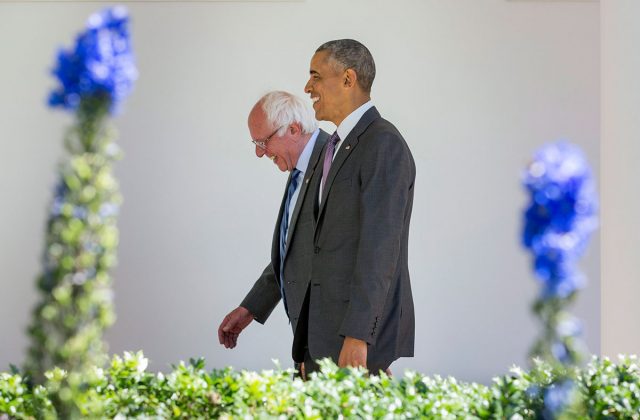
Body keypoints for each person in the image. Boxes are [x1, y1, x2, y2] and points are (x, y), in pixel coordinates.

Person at [297, 39, 416, 374]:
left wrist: (359, 335)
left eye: (316, 76)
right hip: (322, 340)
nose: (308, 87)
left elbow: (380, 249)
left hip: (354, 343)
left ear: (348, 79)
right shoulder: (331, 148)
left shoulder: (383, 144)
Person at [217, 91, 329, 370]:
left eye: (262, 142)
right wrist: (251, 308)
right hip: (308, 343)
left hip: (334, 344)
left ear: (293, 129)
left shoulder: (336, 162)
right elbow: (295, 251)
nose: (258, 152)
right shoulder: (299, 169)